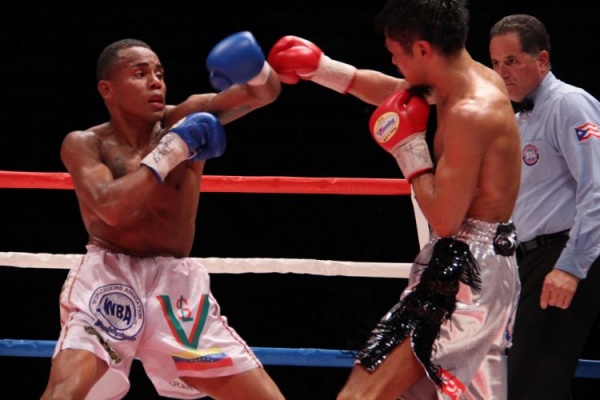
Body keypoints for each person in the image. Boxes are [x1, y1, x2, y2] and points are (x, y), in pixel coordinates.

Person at [267, 0, 521, 398]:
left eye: (396, 53)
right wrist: (322, 69)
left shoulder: (472, 112)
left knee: (362, 394)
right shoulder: (464, 81)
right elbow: (396, 93)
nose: (393, 61)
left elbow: (444, 219)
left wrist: (409, 150)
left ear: (422, 49)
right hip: (468, 264)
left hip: (465, 272)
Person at [40, 32, 285, 400]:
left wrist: (257, 70)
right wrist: (172, 151)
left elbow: (263, 93)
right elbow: (110, 208)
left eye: (159, 73)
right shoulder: (86, 143)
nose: (155, 82)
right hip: (109, 278)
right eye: (140, 74)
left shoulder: (189, 116)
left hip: (175, 287)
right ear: (107, 89)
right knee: (65, 392)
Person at [489, 14, 600, 400]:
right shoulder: (519, 118)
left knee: (530, 385)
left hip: (567, 256)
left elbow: (597, 188)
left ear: (542, 60)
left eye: (512, 61)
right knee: (536, 384)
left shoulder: (569, 104)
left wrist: (571, 266)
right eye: (495, 63)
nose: (502, 72)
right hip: (532, 262)